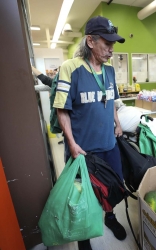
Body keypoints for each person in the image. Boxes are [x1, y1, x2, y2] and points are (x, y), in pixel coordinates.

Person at [53, 16, 126, 250]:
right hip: (82, 149)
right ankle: (83, 237)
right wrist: (72, 144)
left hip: (109, 144)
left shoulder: (110, 72)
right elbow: (62, 110)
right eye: (107, 44)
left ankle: (111, 217)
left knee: (112, 187)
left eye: (113, 44)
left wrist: (117, 123)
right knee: (82, 196)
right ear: (91, 42)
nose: (111, 50)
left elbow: (112, 100)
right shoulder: (70, 68)